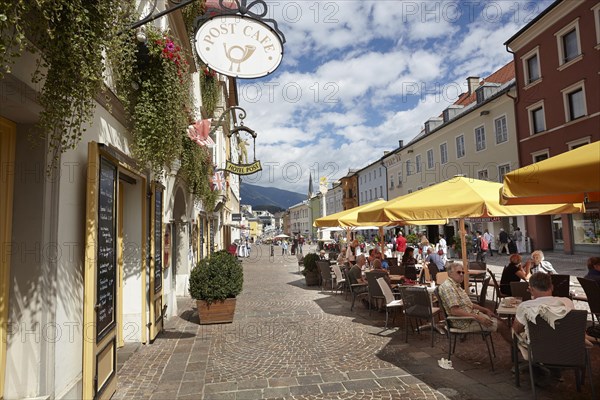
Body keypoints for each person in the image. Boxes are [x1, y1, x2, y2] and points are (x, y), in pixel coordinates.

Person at [438, 263, 511, 343]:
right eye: (459, 272)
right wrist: (478, 317)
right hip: (464, 322)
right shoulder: (449, 288)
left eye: (463, 272)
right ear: (450, 273)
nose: (462, 274)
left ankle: (516, 346)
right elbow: (455, 311)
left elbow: (469, 304)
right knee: (501, 325)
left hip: (471, 317)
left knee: (500, 320)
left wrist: (485, 310)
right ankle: (516, 348)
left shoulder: (456, 285)